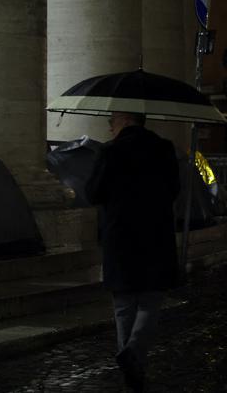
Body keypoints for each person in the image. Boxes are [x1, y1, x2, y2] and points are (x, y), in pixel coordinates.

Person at [85, 111, 180, 392]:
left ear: (126, 119)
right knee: (151, 300)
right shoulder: (164, 149)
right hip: (156, 234)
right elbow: (174, 189)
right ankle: (134, 354)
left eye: (112, 121)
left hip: (120, 235)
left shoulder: (110, 151)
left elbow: (93, 193)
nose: (110, 127)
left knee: (124, 304)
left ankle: (129, 361)